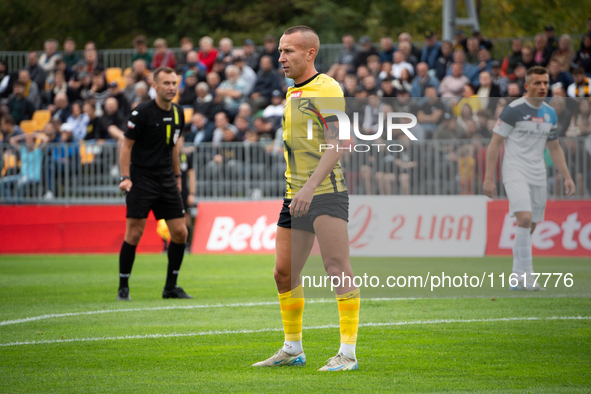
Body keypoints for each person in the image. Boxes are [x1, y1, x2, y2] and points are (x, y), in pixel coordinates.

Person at [252, 25, 359, 372]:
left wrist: (310, 186)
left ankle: (347, 354)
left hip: (325, 193)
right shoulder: (292, 92)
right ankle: (293, 348)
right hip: (294, 195)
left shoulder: (327, 88)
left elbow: (341, 142)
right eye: (281, 51)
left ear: (310, 53)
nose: (280, 57)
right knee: (284, 273)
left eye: (289, 51)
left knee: (336, 268)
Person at [483, 66, 575, 290]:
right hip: (515, 170)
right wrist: (488, 178)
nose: (542, 87)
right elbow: (494, 143)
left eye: (545, 83)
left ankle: (516, 277)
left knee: (530, 226)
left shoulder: (550, 113)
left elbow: (554, 147)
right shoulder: (513, 110)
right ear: (527, 86)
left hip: (538, 173)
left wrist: (567, 177)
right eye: (537, 83)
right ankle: (528, 277)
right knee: (524, 218)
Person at [117, 66, 191, 301]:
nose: (171, 87)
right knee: (134, 234)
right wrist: (125, 177)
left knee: (180, 232)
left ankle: (171, 287)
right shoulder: (142, 112)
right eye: (166, 83)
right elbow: (126, 146)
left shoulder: (179, 112)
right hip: (141, 179)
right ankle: (123, 286)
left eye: (174, 83)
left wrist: (177, 178)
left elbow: (174, 148)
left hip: (167, 178)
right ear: (155, 86)